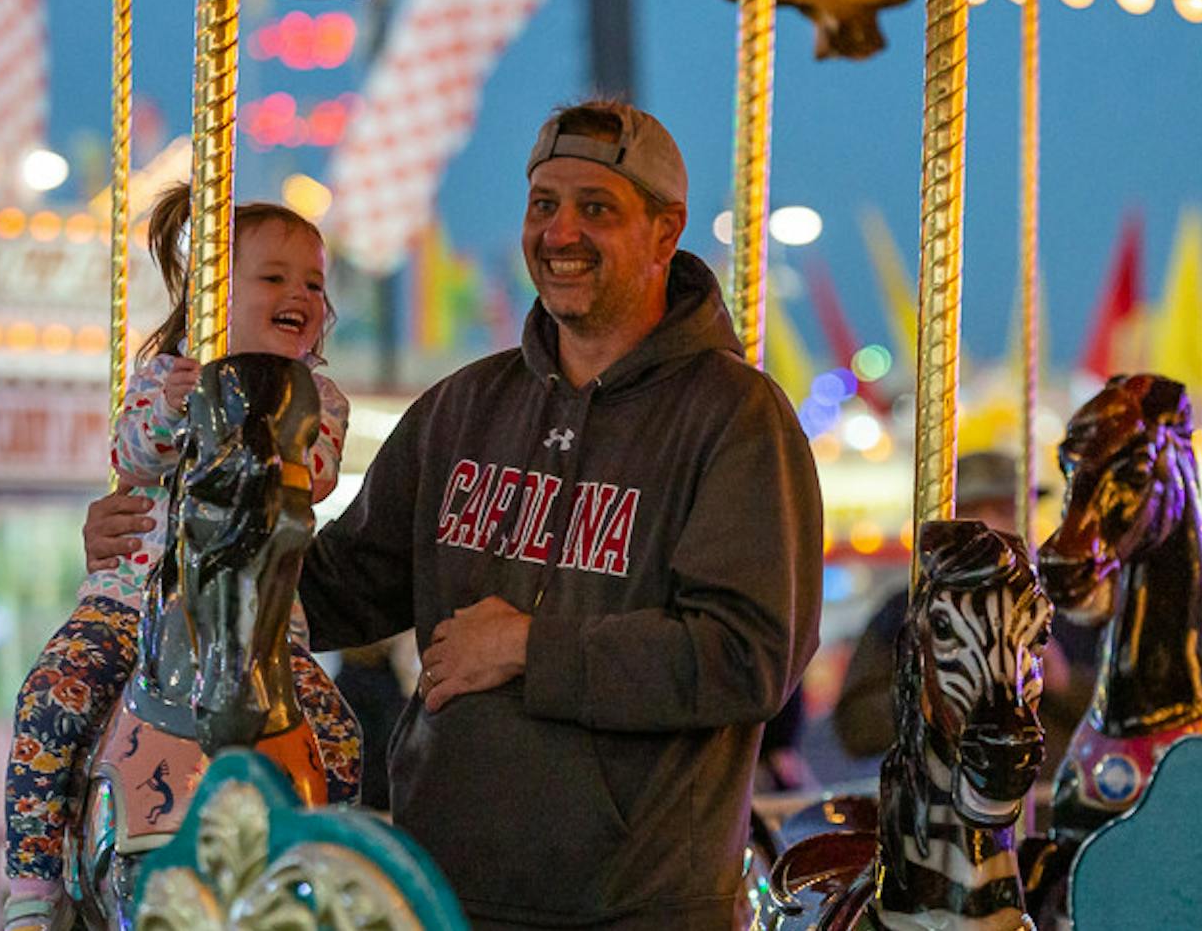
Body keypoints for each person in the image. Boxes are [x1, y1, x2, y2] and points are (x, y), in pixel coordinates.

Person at [84, 100, 824, 929]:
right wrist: (162, 541)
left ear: (665, 233)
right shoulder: (464, 408)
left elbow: (748, 654)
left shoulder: (734, 419)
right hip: (443, 890)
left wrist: (529, 648)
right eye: (543, 204)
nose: (560, 232)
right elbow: (332, 588)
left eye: (595, 207)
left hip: (633, 903)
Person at [4, 188, 363, 931]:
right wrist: (178, 404)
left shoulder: (316, 397)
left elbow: (315, 470)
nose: (301, 293)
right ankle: (34, 883)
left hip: (259, 629)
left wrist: (262, 417)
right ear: (212, 289)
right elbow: (130, 452)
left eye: (314, 283)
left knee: (338, 732)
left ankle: (332, 879)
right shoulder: (162, 377)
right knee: (53, 696)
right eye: (275, 277)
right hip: (129, 605)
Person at [832, 450, 1099, 774]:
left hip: (1046, 798)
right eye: (972, 513)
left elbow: (1117, 711)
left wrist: (1065, 682)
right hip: (947, 800)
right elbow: (855, 727)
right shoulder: (906, 610)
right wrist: (937, 691)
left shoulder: (1068, 605)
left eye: (1003, 510)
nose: (992, 526)